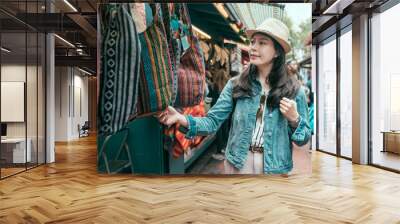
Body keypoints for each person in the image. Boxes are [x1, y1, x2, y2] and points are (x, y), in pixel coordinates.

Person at [158, 18, 311, 175]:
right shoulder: (236, 84)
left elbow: (303, 138)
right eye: (253, 42)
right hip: (238, 164)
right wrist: (180, 118)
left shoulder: (293, 91)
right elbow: (212, 122)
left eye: (262, 43)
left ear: (277, 52)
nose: (253, 48)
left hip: (276, 169)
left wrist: (295, 119)